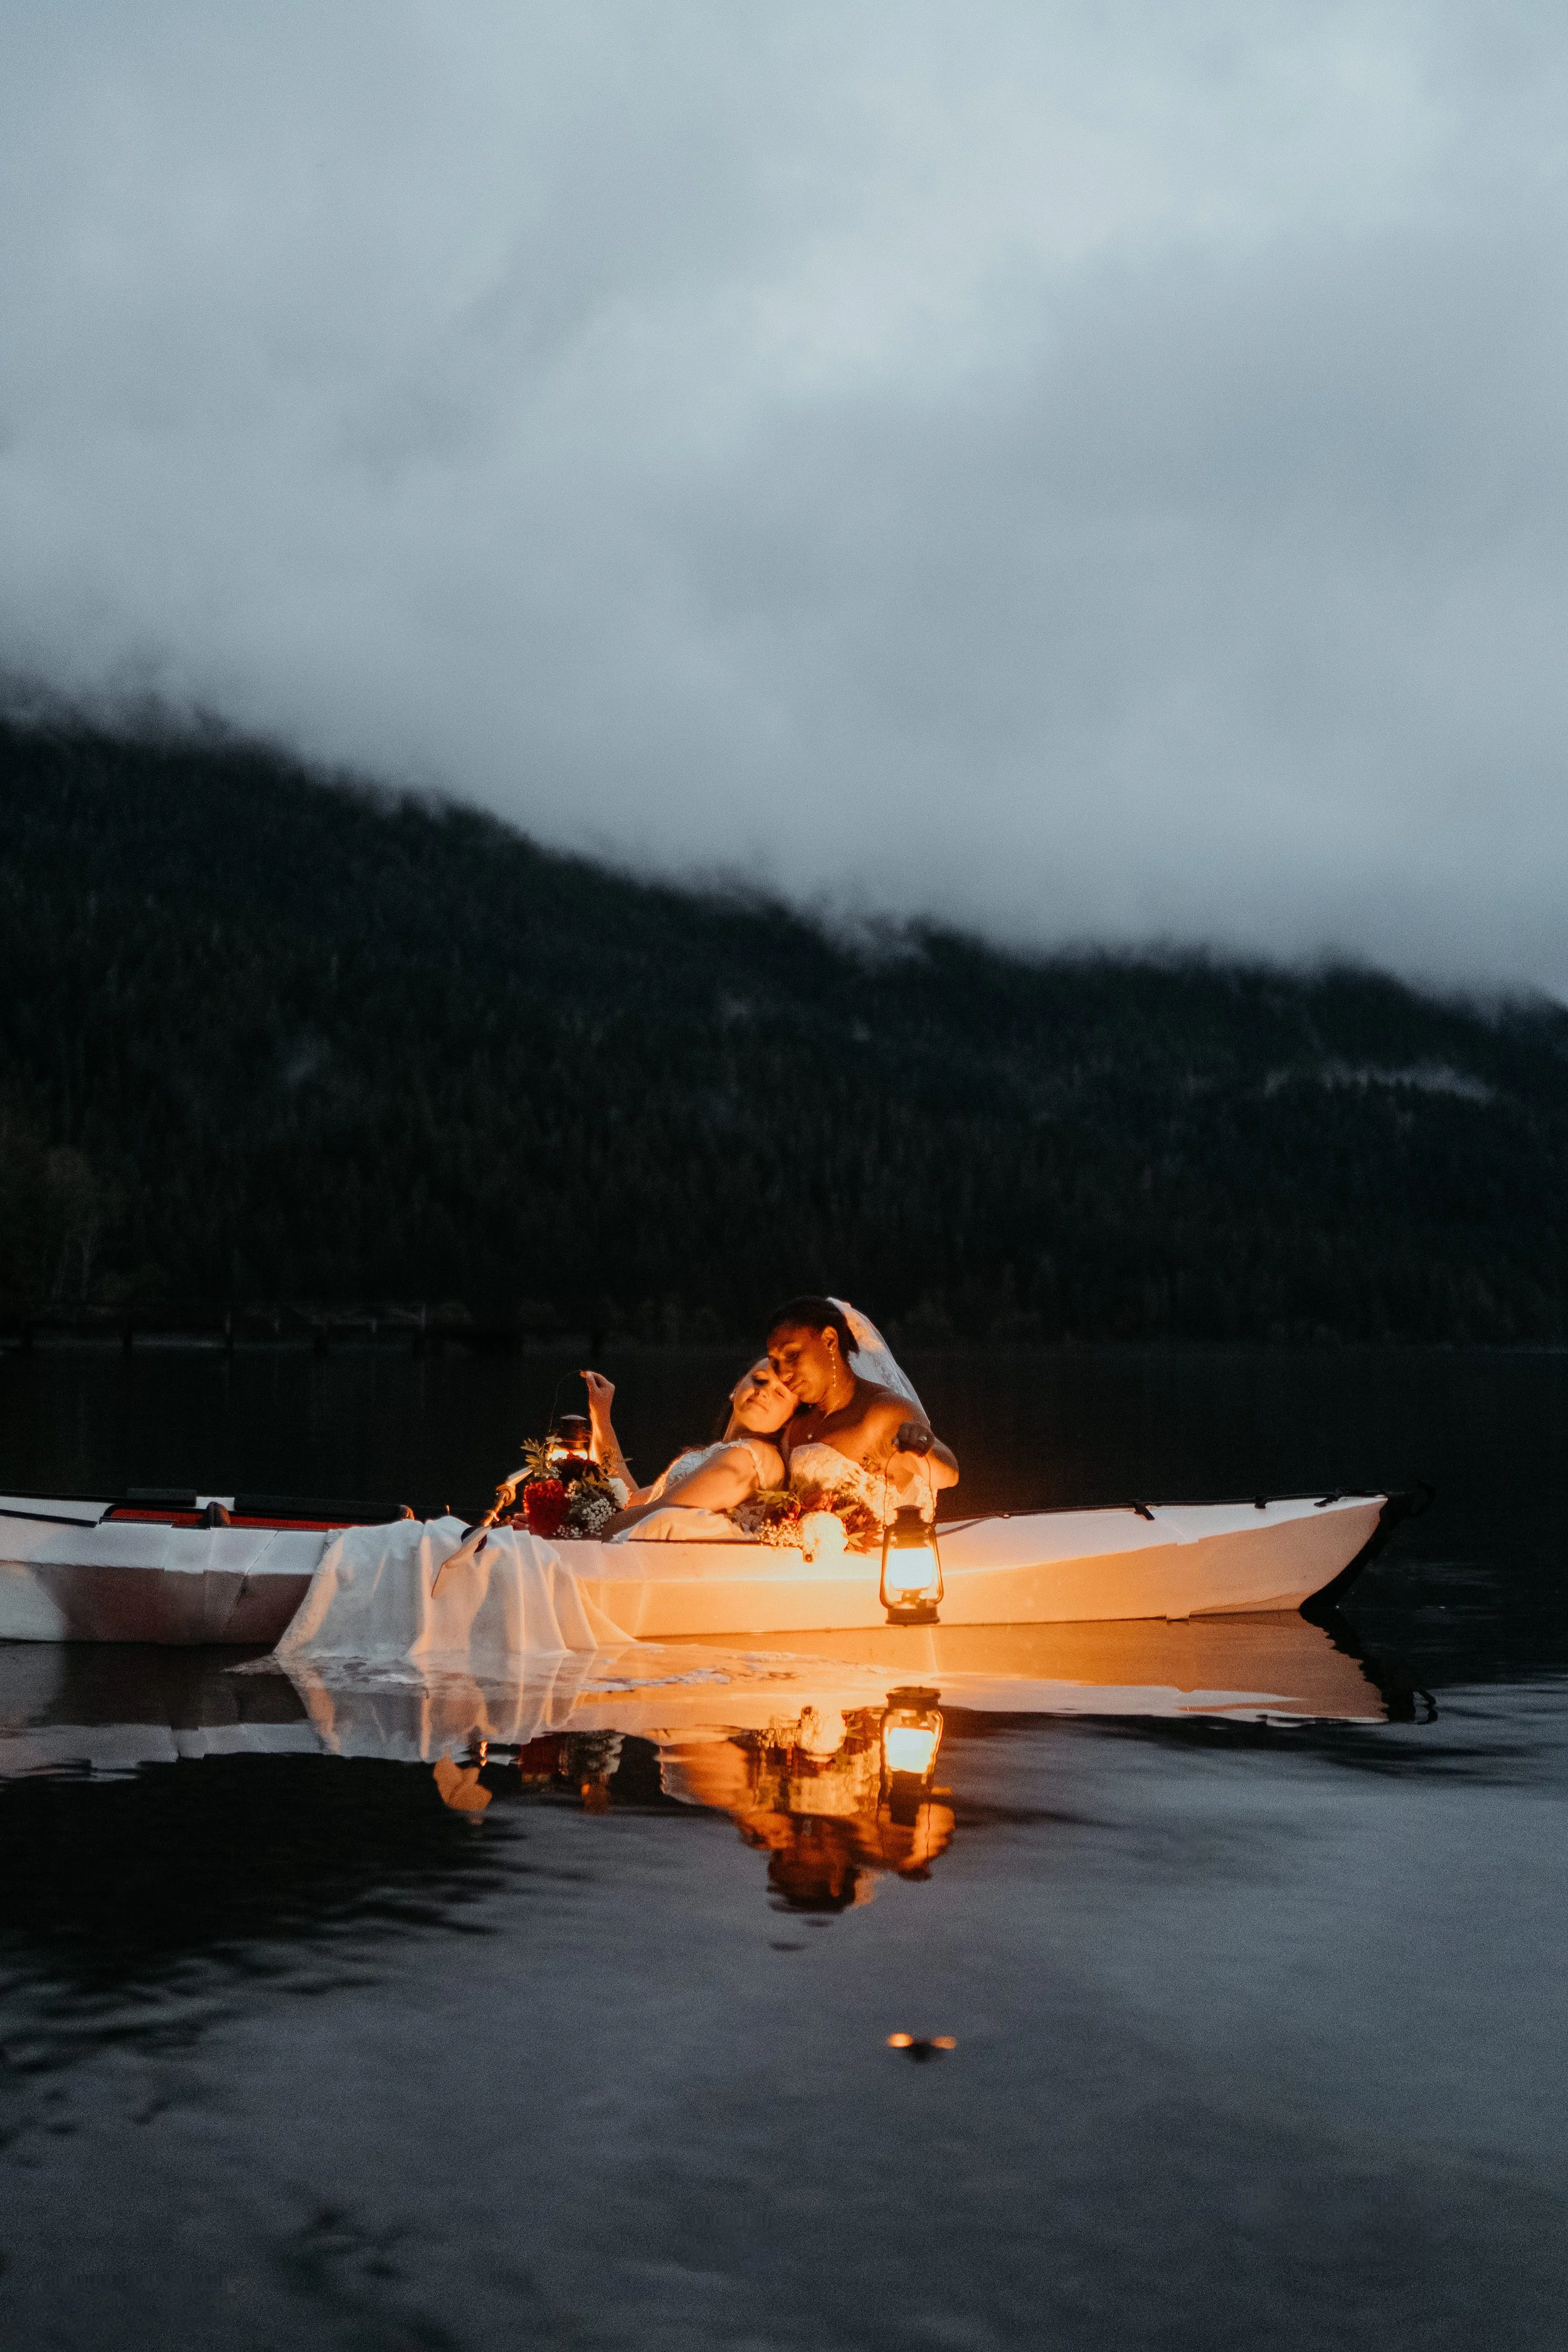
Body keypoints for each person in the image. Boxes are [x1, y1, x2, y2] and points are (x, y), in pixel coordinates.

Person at [765, 1296, 959, 1523]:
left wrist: (922, 1444)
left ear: (829, 1340)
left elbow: (948, 1475)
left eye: (792, 1355)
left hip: (878, 1557)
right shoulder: (797, 1421)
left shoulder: (882, 1412)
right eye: (775, 1362)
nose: (783, 1373)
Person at [592, 1359, 796, 1542]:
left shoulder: (751, 1457)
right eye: (760, 1380)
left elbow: (657, 1513)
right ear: (737, 1388)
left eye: (780, 1393)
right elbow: (633, 1500)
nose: (764, 1391)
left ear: (789, 1417)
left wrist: (575, 1531)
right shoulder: (724, 1453)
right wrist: (601, 1418)